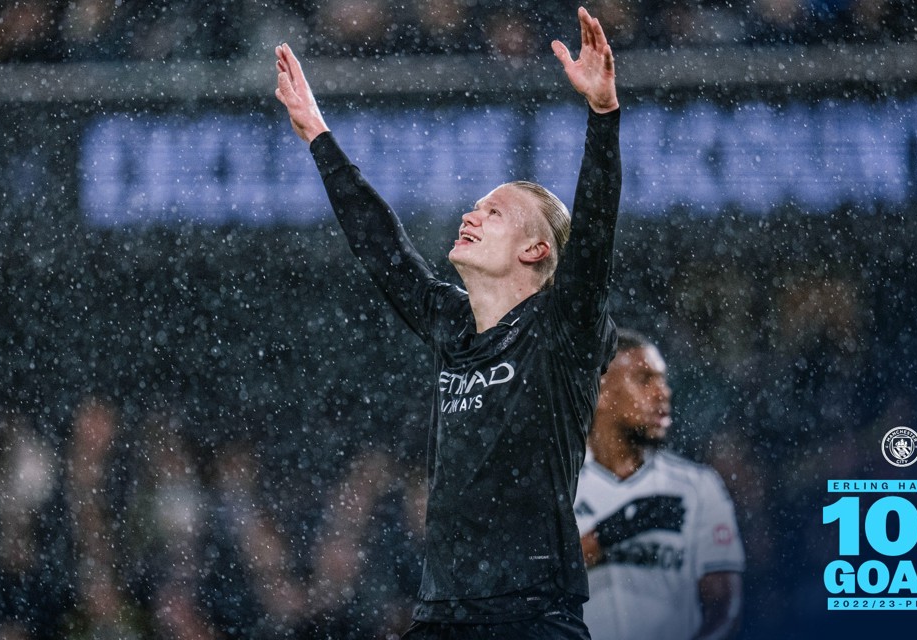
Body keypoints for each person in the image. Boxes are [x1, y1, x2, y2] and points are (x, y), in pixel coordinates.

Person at [275, 6, 621, 638]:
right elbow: (383, 248)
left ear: (535, 250)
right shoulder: (452, 327)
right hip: (441, 619)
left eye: (494, 212)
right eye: (475, 206)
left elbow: (594, 237)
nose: (471, 213)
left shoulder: (561, 331)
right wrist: (319, 138)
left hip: (532, 616)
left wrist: (602, 118)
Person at [575, 329, 744, 640]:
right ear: (600, 391)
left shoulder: (697, 486)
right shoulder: (560, 485)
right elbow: (524, 585)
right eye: (644, 379)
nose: (663, 392)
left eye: (662, 379)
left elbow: (723, 606)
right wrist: (606, 536)